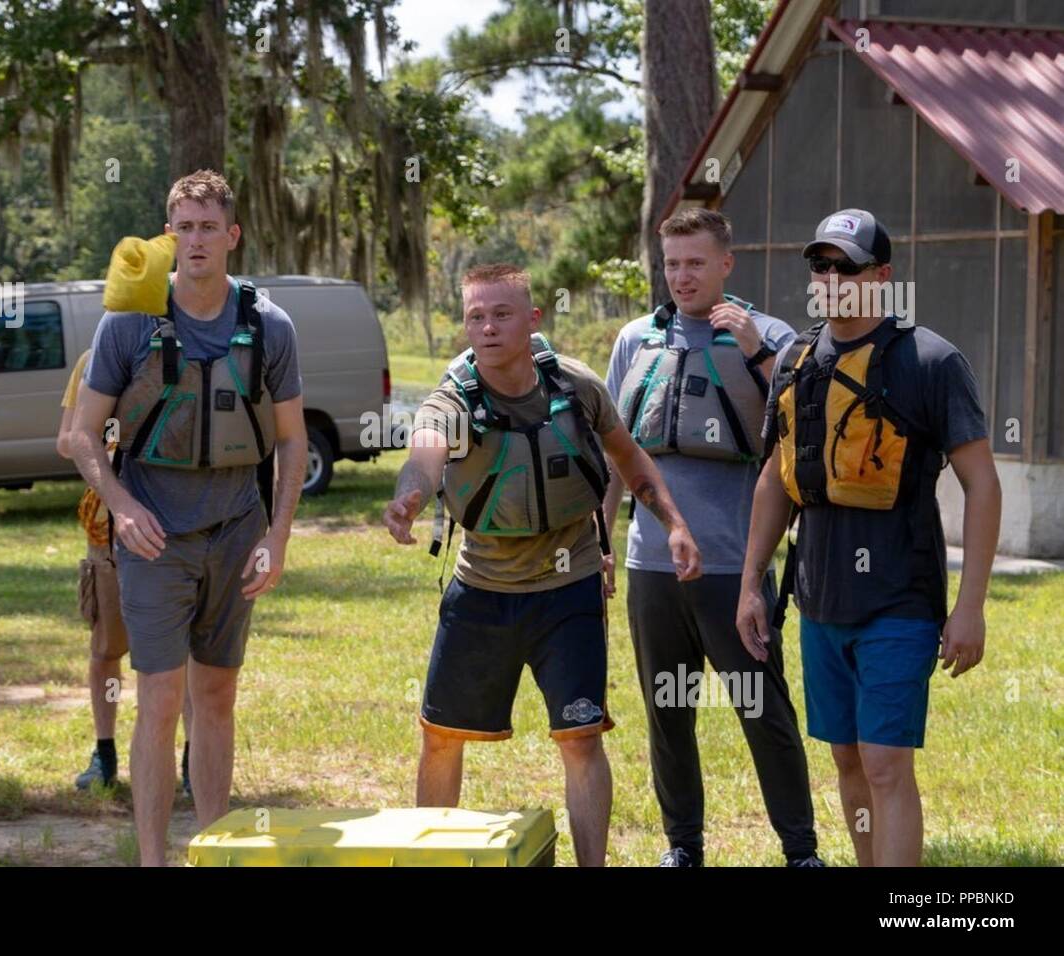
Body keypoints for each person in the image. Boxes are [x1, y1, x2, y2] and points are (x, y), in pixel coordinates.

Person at [383, 262, 702, 867]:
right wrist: (410, 497)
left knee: (580, 738)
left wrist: (676, 526)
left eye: (502, 314)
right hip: (481, 586)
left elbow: (630, 460)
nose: (488, 328)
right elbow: (425, 454)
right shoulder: (453, 399)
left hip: (569, 584)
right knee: (441, 736)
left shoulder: (576, 388)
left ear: (532, 320)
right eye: (476, 316)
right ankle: (431, 860)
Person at [738, 209, 1002, 866]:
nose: (830, 278)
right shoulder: (796, 361)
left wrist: (970, 607)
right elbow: (777, 476)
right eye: (820, 266)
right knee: (849, 761)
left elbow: (983, 484)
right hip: (820, 599)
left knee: (885, 765)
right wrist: (750, 583)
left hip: (899, 599)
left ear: (881, 275)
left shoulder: (930, 361)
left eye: (845, 266)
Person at [68, 170, 308, 866]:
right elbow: (83, 434)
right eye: (184, 226)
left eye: (208, 227)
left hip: (235, 526)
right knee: (161, 697)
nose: (195, 239)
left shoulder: (268, 325)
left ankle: (214, 848)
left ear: (232, 236)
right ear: (167, 234)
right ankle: (153, 858)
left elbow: (292, 440)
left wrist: (277, 536)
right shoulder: (131, 320)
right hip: (153, 536)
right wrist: (121, 504)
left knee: (217, 695)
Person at [603, 208, 822, 867]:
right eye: (672, 263)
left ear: (727, 263)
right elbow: (613, 449)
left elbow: (799, 434)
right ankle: (683, 848)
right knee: (669, 713)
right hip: (653, 564)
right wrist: (601, 542)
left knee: (764, 713)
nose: (682, 276)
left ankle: (801, 850)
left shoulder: (771, 335)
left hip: (736, 566)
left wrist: (756, 347)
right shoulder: (636, 339)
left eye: (696, 262)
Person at [56, 348, 194, 795]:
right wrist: (108, 443)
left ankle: (195, 759)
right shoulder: (94, 361)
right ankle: (106, 753)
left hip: (180, 524)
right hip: (111, 530)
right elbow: (66, 439)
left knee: (188, 652)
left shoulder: (185, 353)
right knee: (107, 646)